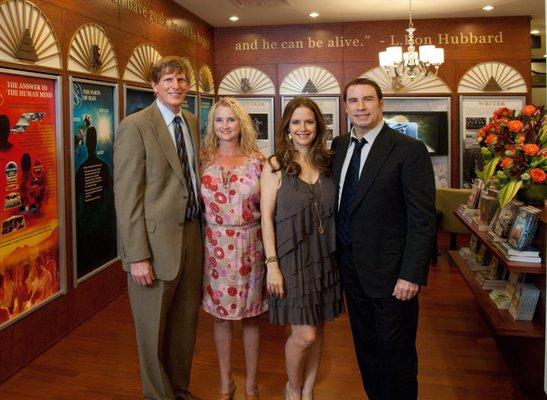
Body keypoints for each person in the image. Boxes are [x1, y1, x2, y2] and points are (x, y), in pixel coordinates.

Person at [332, 78, 435, 400]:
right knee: (366, 350)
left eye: (367, 99)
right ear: (345, 106)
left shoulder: (408, 149)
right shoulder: (337, 147)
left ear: (381, 104)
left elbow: (422, 218)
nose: (360, 107)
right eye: (353, 101)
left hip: (393, 275)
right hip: (350, 269)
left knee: (397, 356)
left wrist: (411, 274)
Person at [114, 56, 204, 400]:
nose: (175, 86)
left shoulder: (192, 122)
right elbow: (127, 197)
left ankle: (180, 390)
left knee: (184, 328)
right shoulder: (135, 126)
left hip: (193, 236)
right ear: (154, 86)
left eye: (181, 80)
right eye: (167, 80)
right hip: (152, 247)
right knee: (152, 332)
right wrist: (137, 255)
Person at [260, 97, 344, 400]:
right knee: (304, 334)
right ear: (287, 127)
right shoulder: (274, 165)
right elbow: (266, 219)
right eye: (296, 122)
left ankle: (308, 391)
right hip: (290, 259)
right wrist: (272, 265)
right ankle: (293, 390)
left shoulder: (328, 163)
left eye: (309, 121)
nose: (302, 128)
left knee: (319, 329)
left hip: (324, 255)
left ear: (318, 126)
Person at [200, 97, 267, 400]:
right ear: (212, 125)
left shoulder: (259, 161)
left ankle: (252, 383)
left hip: (251, 244)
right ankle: (226, 382)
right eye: (219, 120)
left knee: (252, 316)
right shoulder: (203, 160)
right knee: (220, 317)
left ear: (241, 124)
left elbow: (269, 210)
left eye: (231, 120)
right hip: (215, 247)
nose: (225, 126)